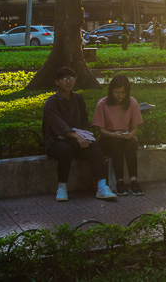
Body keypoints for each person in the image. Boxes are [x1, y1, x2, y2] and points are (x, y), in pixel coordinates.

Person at [42, 67, 117, 202]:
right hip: (56, 141)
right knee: (65, 149)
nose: (69, 81)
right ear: (57, 82)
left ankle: (102, 187)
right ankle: (62, 188)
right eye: (65, 78)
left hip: (76, 140)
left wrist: (84, 136)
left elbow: (84, 121)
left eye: (71, 78)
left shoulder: (78, 99)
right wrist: (75, 136)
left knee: (95, 147)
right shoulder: (51, 102)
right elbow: (59, 125)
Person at [92, 74, 144, 196]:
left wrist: (130, 134)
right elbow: (101, 130)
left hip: (126, 136)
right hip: (108, 138)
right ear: (111, 91)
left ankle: (134, 181)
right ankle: (119, 181)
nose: (120, 95)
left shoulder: (132, 102)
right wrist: (114, 134)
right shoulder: (102, 103)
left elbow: (134, 127)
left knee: (130, 144)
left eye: (122, 92)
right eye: (116, 92)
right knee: (117, 143)